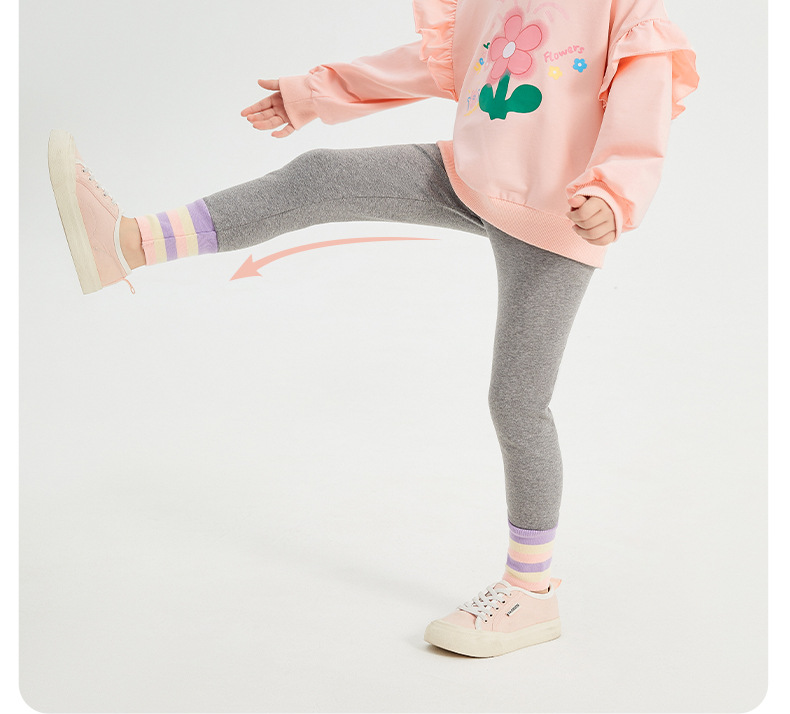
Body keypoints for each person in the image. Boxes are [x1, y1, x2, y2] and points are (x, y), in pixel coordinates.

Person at [47, 0, 699, 658]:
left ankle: (531, 592)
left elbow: (642, 107)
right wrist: (316, 92)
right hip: (469, 178)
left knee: (518, 402)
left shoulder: (625, 10)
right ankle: (129, 243)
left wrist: (614, 195)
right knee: (321, 175)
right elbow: (437, 61)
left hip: (560, 216)